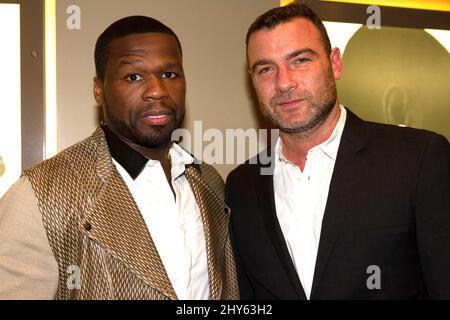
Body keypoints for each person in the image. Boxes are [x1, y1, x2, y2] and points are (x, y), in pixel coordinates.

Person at [0, 16, 238, 300]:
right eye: (133, 77)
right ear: (99, 90)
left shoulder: (210, 182)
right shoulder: (38, 196)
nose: (157, 91)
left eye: (169, 74)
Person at [226, 3, 450, 299]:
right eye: (266, 69)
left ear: (335, 64)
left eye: (301, 60)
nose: (283, 83)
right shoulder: (241, 185)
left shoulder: (419, 159)